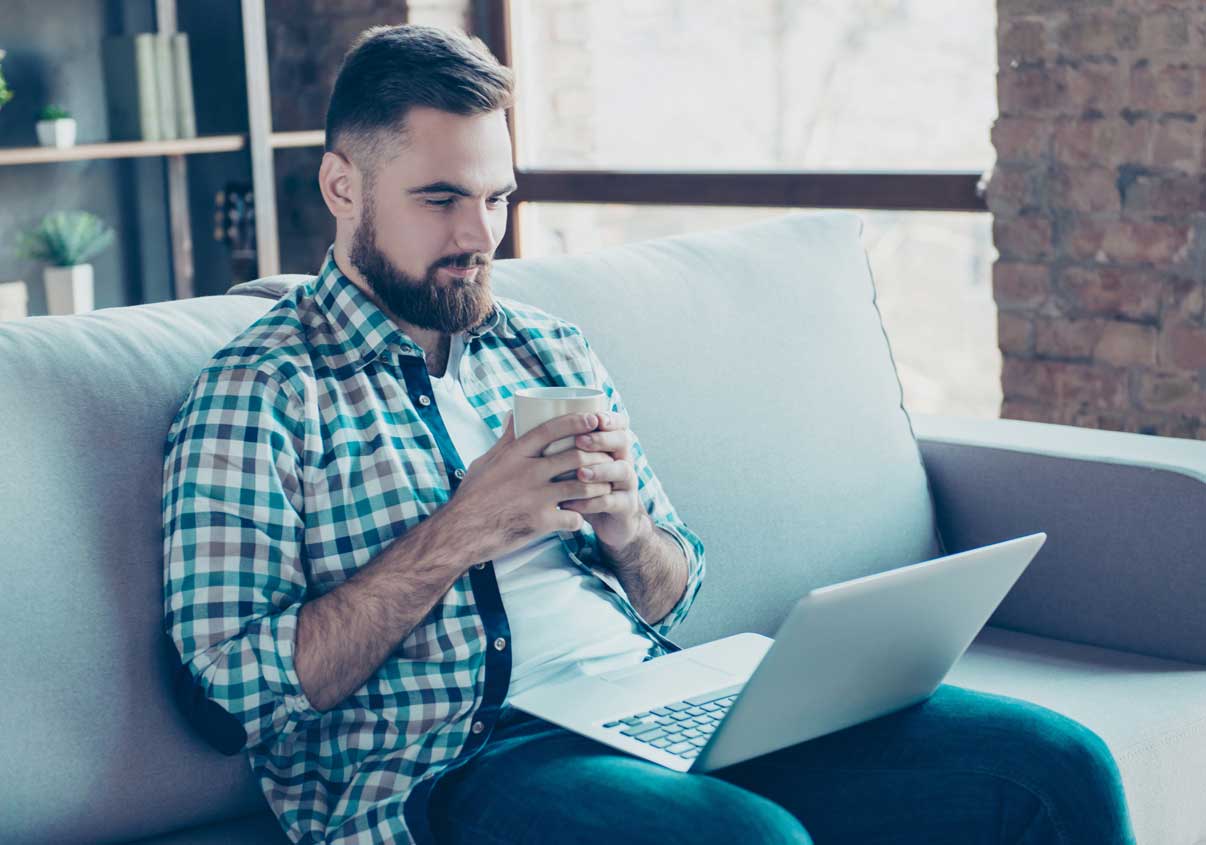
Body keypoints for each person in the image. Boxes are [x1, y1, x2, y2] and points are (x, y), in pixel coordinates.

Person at [161, 23, 1136, 845]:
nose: (480, 233)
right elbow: (224, 699)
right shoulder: (262, 392)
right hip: (457, 764)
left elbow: (674, 589)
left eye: (497, 196)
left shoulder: (546, 347)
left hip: (652, 701)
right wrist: (461, 530)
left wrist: (631, 533)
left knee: (1057, 765)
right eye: (442, 198)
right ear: (342, 187)